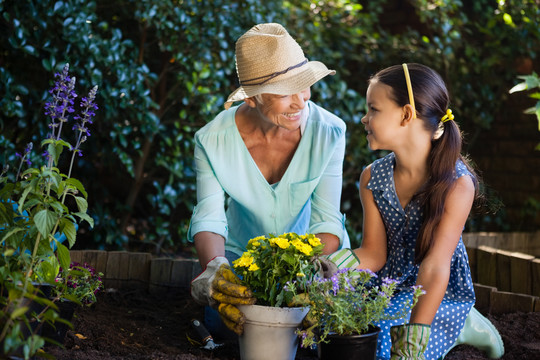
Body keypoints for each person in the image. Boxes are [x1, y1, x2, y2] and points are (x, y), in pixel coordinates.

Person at [326, 63, 504, 359]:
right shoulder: (372, 178)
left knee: (379, 346)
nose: (364, 118)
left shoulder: (457, 184)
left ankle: (463, 322)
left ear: (406, 114)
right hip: (387, 288)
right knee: (332, 329)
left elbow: (434, 266)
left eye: (374, 109)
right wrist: (332, 265)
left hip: (435, 291)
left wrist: (413, 340)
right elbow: (374, 252)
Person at [189, 23, 350, 337]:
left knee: (319, 334)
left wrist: (308, 281)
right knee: (227, 329)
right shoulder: (211, 140)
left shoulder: (329, 132)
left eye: (304, 85)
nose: (301, 101)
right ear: (251, 98)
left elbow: (327, 222)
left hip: (308, 266)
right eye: (284, 91)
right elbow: (209, 218)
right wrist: (215, 271)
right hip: (241, 266)